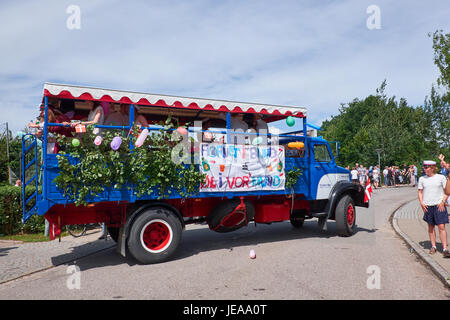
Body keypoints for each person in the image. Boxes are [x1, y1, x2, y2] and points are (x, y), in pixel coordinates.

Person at [417, 160, 449, 257]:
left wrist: (443, 201)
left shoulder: (441, 177)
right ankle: (433, 246)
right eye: (424, 167)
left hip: (439, 205)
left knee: (441, 227)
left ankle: (444, 249)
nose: (425, 169)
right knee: (430, 227)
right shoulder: (422, 179)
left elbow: (447, 191)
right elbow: (420, 192)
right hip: (428, 206)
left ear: (433, 168)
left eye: (427, 167)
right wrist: (422, 203)